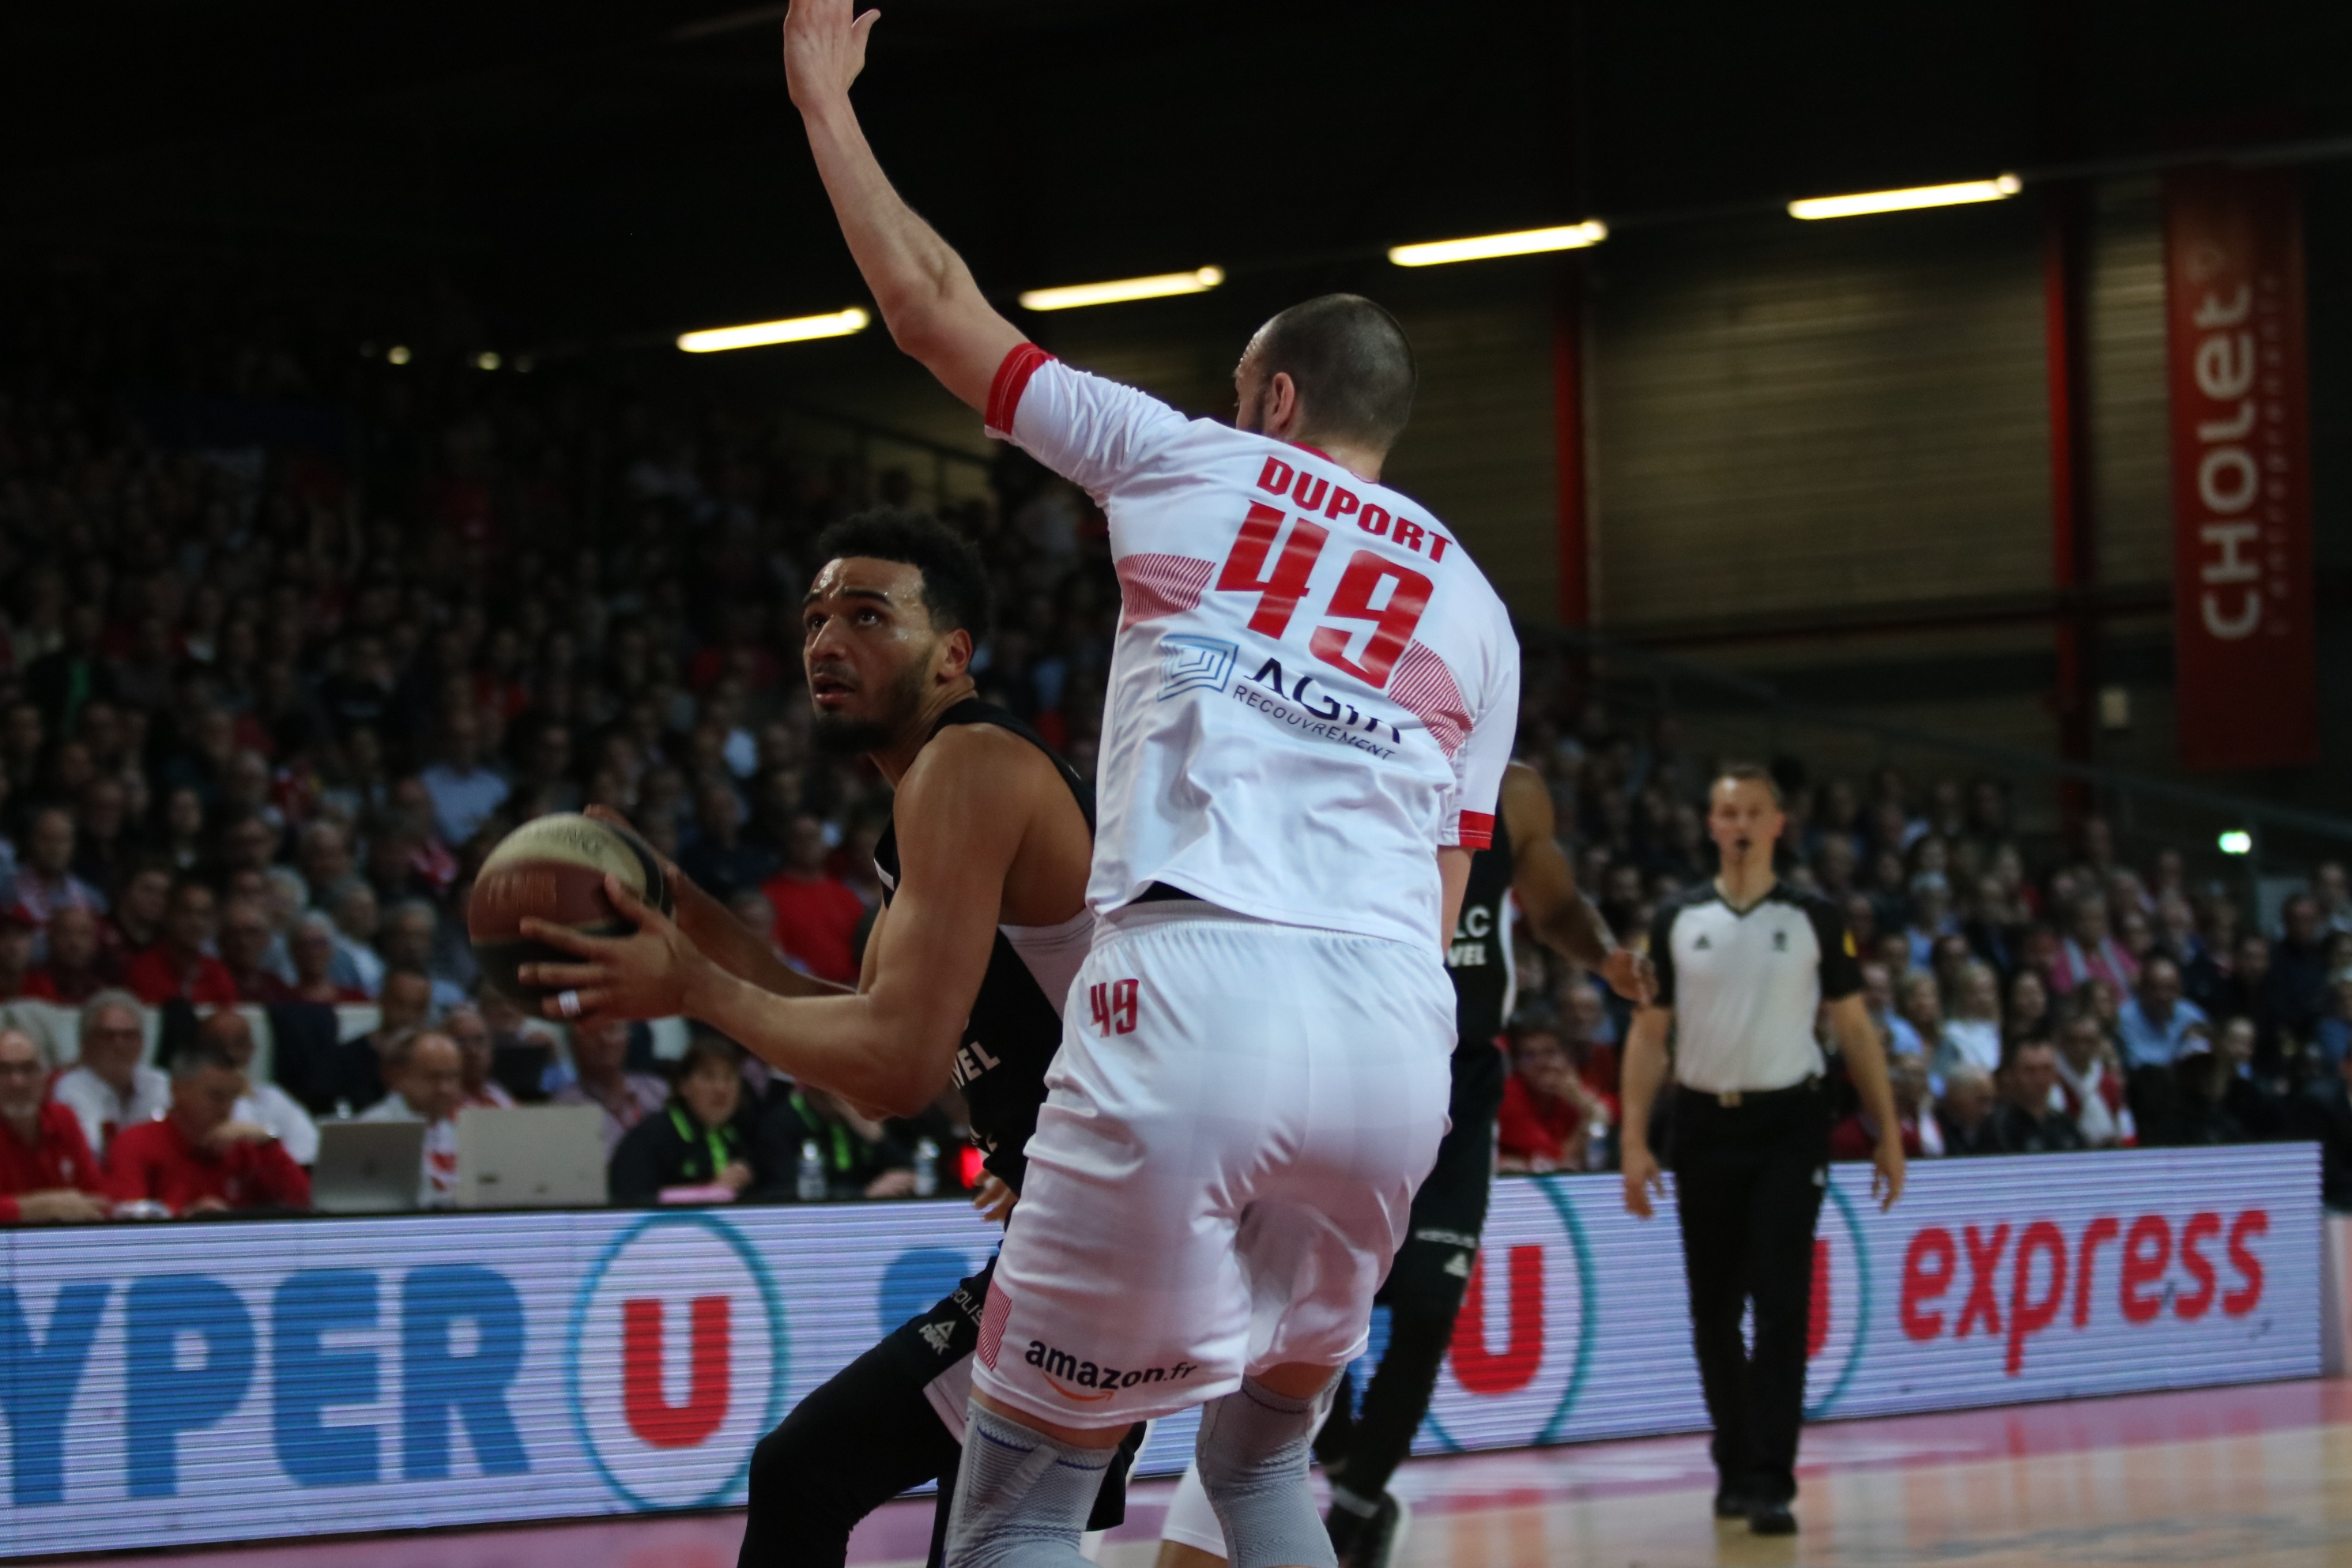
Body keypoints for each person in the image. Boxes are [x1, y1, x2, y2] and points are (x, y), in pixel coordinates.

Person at [737, 19, 1524, 1568]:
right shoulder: (1479, 612)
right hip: (1391, 1041)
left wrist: (822, 100)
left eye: (1244, 391)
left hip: (1195, 992)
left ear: (1280, 402)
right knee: (1262, 1471)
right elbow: (1448, 895)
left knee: (1024, 1492)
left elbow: (927, 306)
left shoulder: (1190, 464)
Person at [522, 508, 1129, 1568]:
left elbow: (893, 1069)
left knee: (826, 1478)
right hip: (1100, 1220)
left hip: (1117, 1228)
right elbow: (861, 1051)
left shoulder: (969, 764)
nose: (823, 641)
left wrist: (698, 989)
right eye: (811, 619)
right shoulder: (924, 822)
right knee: (864, 1492)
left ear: (953, 653)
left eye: (864, 614)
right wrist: (680, 911)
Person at [1164, 763, 1649, 1568]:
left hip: (1464, 1072)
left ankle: (1356, 1503)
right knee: (1313, 1300)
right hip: (1362, 1063)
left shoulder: (1514, 789)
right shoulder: (1345, 761)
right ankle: (1346, 1462)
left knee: (1428, 1303)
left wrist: (1605, 956)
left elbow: (1557, 904)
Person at [1619, 764, 1904, 1536]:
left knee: (1780, 1305)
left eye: (1752, 810)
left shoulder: (1814, 914)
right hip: (1705, 1125)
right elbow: (1649, 1034)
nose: (1739, 822)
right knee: (1714, 1309)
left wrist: (1888, 1130)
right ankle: (1734, 1463)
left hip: (1789, 1125)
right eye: (1725, 811)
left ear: (1778, 823)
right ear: (1710, 825)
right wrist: (1634, 1139)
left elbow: (1851, 1025)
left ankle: (1771, 1477)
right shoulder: (1676, 917)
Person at [104, 1046, 311, 1216]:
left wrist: (268, 1143)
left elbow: (301, 1203)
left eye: (233, 1098)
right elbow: (127, 1216)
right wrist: (189, 1217)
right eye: (216, 1097)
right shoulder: (136, 1143)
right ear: (177, 1091)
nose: (226, 1109)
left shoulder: (243, 1145)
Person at [609, 1036, 763, 1205]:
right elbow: (632, 1202)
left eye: (729, 1078)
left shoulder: (743, 1136)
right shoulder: (650, 1138)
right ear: (684, 1085)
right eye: (708, 1076)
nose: (721, 1089)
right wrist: (712, 1193)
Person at [0, 1027, 111, 1223]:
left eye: (28, 1069)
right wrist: (39, 1208)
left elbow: (98, 1199)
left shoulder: (63, 1118)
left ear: (46, 1077)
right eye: (4, 1070)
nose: (18, 1082)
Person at [51, 989, 167, 1158]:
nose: (119, 1045)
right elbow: (95, 1149)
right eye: (107, 1036)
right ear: (86, 1044)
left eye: (129, 1035)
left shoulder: (159, 1082)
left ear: (142, 1043)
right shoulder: (70, 1088)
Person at [357, 1031, 463, 1208]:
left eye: (452, 1077)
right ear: (398, 1077)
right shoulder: (375, 1129)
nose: (445, 1088)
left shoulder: (461, 1128)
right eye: (433, 1077)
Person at [759, 812, 868, 984]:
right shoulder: (769, 895)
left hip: (849, 990)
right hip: (799, 991)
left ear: (824, 844)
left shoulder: (846, 895)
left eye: (813, 837)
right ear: (787, 844)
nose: (807, 844)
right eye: (799, 838)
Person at [203, 1008, 319, 1165]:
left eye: (241, 1043)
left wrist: (265, 1138)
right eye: (219, 1045)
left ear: (251, 1048)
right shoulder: (186, 1098)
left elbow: (309, 1151)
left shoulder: (273, 1097)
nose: (230, 1054)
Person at [551, 1016, 669, 1155]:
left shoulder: (656, 1089)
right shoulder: (563, 1107)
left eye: (612, 1030)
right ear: (572, 1042)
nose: (604, 1040)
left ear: (628, 1037)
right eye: (592, 1033)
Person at [125, 876, 239, 1005]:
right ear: (169, 915)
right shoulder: (143, 970)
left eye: (204, 914)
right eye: (186, 912)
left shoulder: (219, 974)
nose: (196, 922)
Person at [1987, 1041, 2084, 1154]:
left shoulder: (2065, 1125)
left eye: (2046, 1069)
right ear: (2013, 1074)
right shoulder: (1998, 1127)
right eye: (2030, 1070)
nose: (2039, 1079)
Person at [24, 904, 108, 1003]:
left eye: (84, 934)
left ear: (96, 941)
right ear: (50, 939)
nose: (74, 943)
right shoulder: (30, 987)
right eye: (65, 934)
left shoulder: (105, 991)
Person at [1934, 1065, 2000, 1155]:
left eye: (1991, 1101)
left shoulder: (1996, 1129)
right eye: (1981, 1099)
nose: (1988, 1110)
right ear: (1956, 1095)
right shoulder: (1932, 1127)